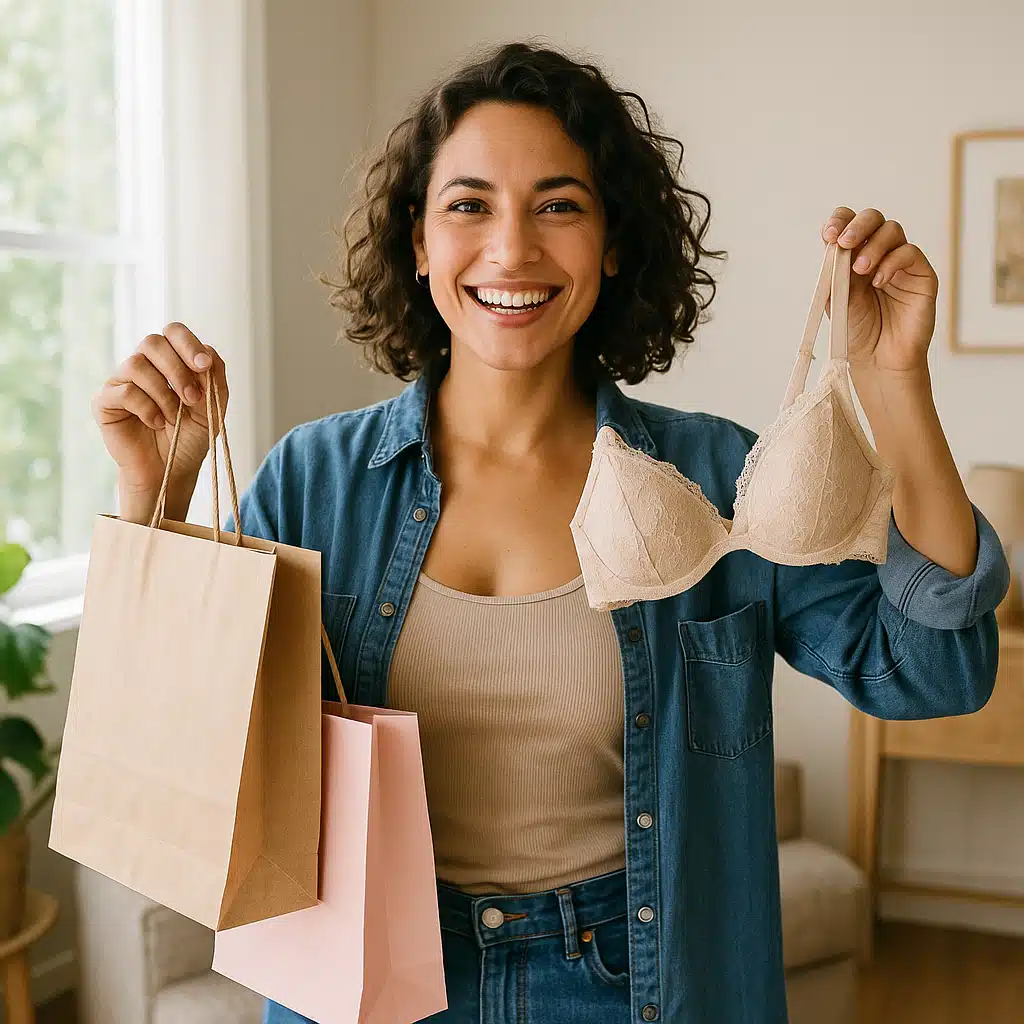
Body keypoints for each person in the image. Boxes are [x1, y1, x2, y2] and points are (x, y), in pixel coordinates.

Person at [92, 41, 1008, 1024]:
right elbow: (182, 760)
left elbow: (930, 673)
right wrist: (157, 499)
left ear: (612, 240)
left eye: (558, 204)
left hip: (642, 981)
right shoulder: (312, 480)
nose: (511, 247)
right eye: (469, 204)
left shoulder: (717, 479)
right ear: (416, 242)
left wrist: (892, 384)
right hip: (369, 986)